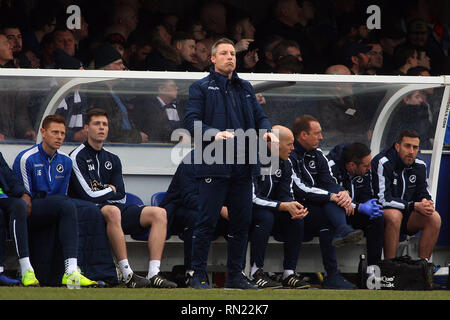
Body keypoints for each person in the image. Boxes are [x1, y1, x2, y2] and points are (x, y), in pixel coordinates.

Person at [183, 38, 278, 290]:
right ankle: (198, 275)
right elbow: (191, 122)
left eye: (233, 53)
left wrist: (267, 131)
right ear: (213, 59)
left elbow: (261, 117)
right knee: (206, 222)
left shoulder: (246, 87)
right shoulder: (200, 87)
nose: (230, 57)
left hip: (244, 165)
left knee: (240, 223)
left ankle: (236, 275)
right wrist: (214, 133)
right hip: (214, 163)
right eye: (224, 53)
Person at [68, 108, 177, 288]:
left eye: (105, 124)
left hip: (114, 209)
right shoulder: (77, 156)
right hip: (91, 213)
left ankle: (154, 274)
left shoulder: (113, 159)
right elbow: (88, 195)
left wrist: (106, 191)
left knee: (159, 213)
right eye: (96, 124)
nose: (101, 128)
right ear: (87, 128)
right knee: (112, 211)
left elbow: (121, 196)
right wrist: (110, 190)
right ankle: (127, 273)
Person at [13, 114, 97, 287]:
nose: (59, 137)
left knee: (89, 209)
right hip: (30, 210)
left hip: (56, 207)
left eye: (62, 133)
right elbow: (24, 200)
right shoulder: (26, 158)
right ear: (43, 132)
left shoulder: (66, 161)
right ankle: (71, 270)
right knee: (65, 204)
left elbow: (62, 195)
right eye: (55, 132)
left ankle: (86, 270)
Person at [289, 114, 363, 289]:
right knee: (330, 206)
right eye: (317, 133)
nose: (321, 137)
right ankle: (333, 271)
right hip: (296, 209)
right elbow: (300, 189)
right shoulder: (289, 155)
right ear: (303, 135)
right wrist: (333, 196)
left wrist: (342, 193)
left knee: (327, 218)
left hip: (318, 210)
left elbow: (329, 182)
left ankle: (333, 275)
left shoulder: (318, 155)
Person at [249, 125, 310, 289]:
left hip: (272, 208)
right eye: (289, 144)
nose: (293, 148)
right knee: (265, 217)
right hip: (248, 211)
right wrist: (282, 205)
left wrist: (292, 205)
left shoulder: (286, 163)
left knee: (296, 218)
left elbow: (285, 193)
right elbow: (252, 198)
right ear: (273, 143)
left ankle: (289, 274)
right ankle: (255, 272)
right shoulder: (253, 159)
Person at [371, 130, 441, 260]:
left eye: (415, 147)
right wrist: (412, 205)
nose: (411, 151)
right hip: (381, 214)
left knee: (434, 217)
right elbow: (382, 199)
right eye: (407, 146)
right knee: (395, 215)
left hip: (408, 214)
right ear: (397, 146)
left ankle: (422, 268)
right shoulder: (383, 162)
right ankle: (389, 268)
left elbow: (423, 192)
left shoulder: (420, 165)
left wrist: (426, 203)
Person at [327, 142, 384, 266]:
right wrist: (356, 205)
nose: (370, 168)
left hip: (355, 211)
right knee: (333, 207)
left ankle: (374, 269)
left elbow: (367, 194)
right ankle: (332, 272)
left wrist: (367, 205)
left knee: (378, 218)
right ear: (352, 165)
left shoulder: (365, 171)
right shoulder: (331, 167)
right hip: (336, 212)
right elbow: (331, 194)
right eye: (366, 165)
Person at [87, 43, 148, 144]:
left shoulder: (114, 93)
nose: (123, 67)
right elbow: (110, 131)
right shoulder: (99, 94)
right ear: (106, 68)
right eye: (118, 63)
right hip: (115, 147)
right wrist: (136, 136)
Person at [0, 152, 35, 286]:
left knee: (20, 205)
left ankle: (26, 269)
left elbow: (10, 176)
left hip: (3, 198)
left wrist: (24, 193)